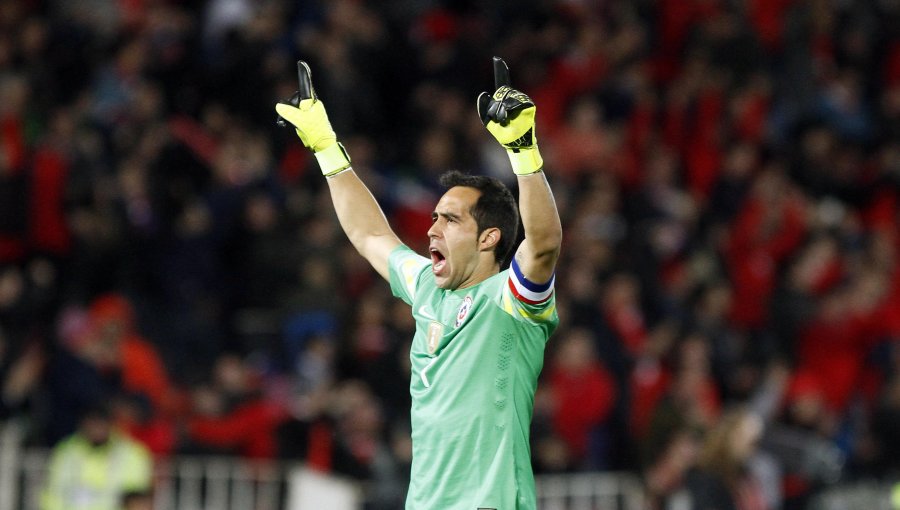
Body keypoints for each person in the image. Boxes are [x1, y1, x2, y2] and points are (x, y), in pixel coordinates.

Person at [275, 57, 562, 509]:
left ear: (489, 238)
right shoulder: (427, 287)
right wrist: (326, 147)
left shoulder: (511, 300)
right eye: (433, 218)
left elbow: (543, 244)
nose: (431, 229)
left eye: (449, 220)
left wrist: (523, 153)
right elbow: (370, 234)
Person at [40, 402, 153, 510]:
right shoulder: (66, 453)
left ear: (110, 424)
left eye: (101, 423)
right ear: (83, 424)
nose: (96, 428)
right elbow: (52, 495)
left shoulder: (132, 454)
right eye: (92, 423)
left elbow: (138, 501)